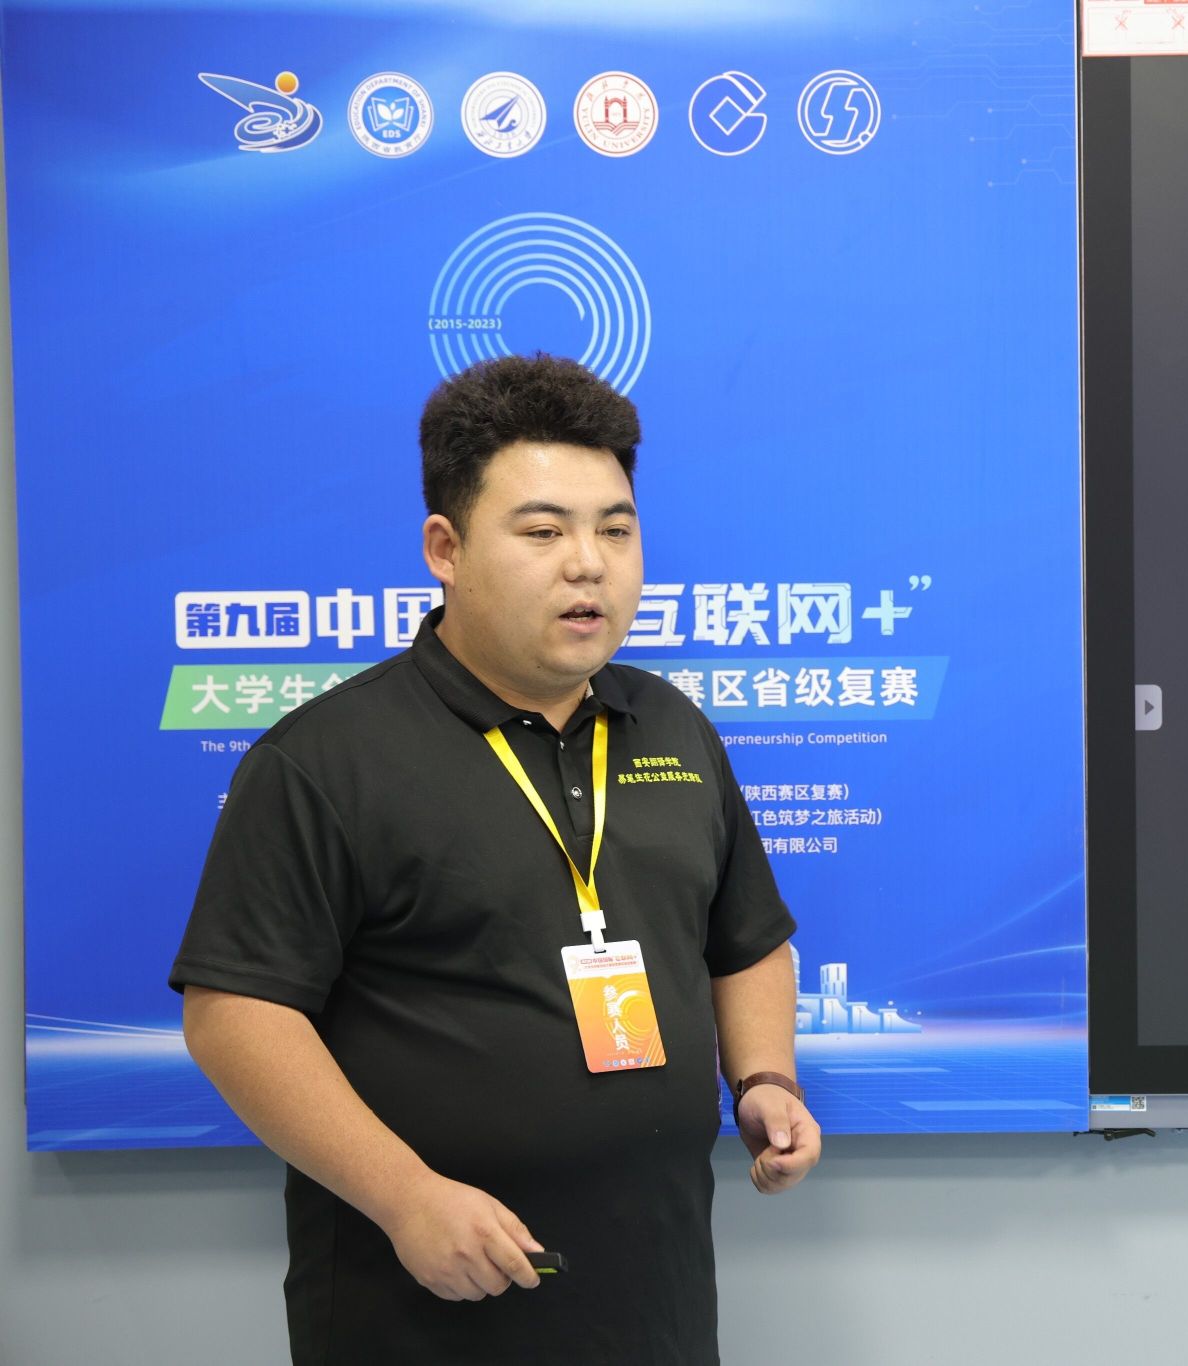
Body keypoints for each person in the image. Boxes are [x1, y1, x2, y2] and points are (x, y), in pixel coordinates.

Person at [172, 353, 820, 1364]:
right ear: (446, 547)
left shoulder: (672, 727)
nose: (588, 564)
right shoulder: (326, 759)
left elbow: (745, 941)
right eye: (543, 531)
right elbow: (234, 1014)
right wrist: (405, 1195)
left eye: (615, 529)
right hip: (425, 1298)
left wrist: (764, 1079)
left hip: (651, 1293)